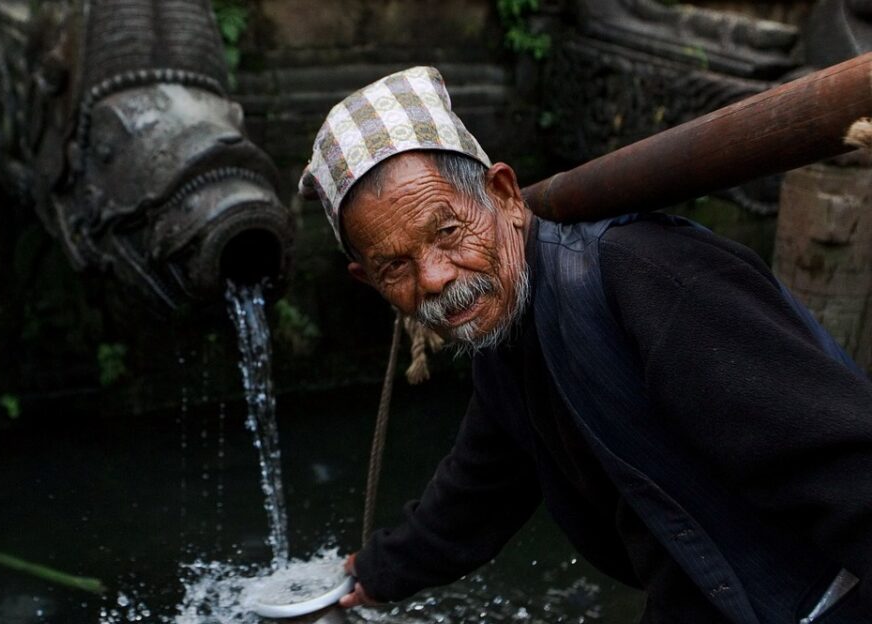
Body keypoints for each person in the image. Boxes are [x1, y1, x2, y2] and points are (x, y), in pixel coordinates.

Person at [298, 66, 872, 623]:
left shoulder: (647, 278)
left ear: (504, 194)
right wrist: (375, 574)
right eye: (395, 266)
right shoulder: (506, 334)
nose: (433, 278)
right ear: (367, 281)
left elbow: (848, 468)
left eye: (447, 231)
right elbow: (481, 489)